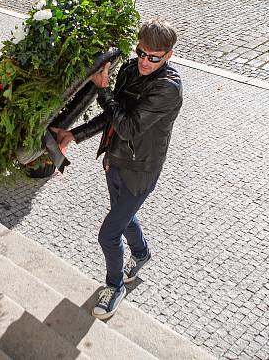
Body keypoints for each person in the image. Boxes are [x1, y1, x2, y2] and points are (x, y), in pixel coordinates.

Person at [50, 19, 183, 321]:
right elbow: (112, 116)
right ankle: (141, 253)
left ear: (168, 56)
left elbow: (128, 126)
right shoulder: (128, 70)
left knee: (108, 235)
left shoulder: (168, 88)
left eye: (154, 57)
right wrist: (75, 134)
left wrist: (103, 89)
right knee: (123, 218)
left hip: (141, 171)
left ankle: (115, 287)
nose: (145, 62)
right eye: (141, 52)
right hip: (115, 160)